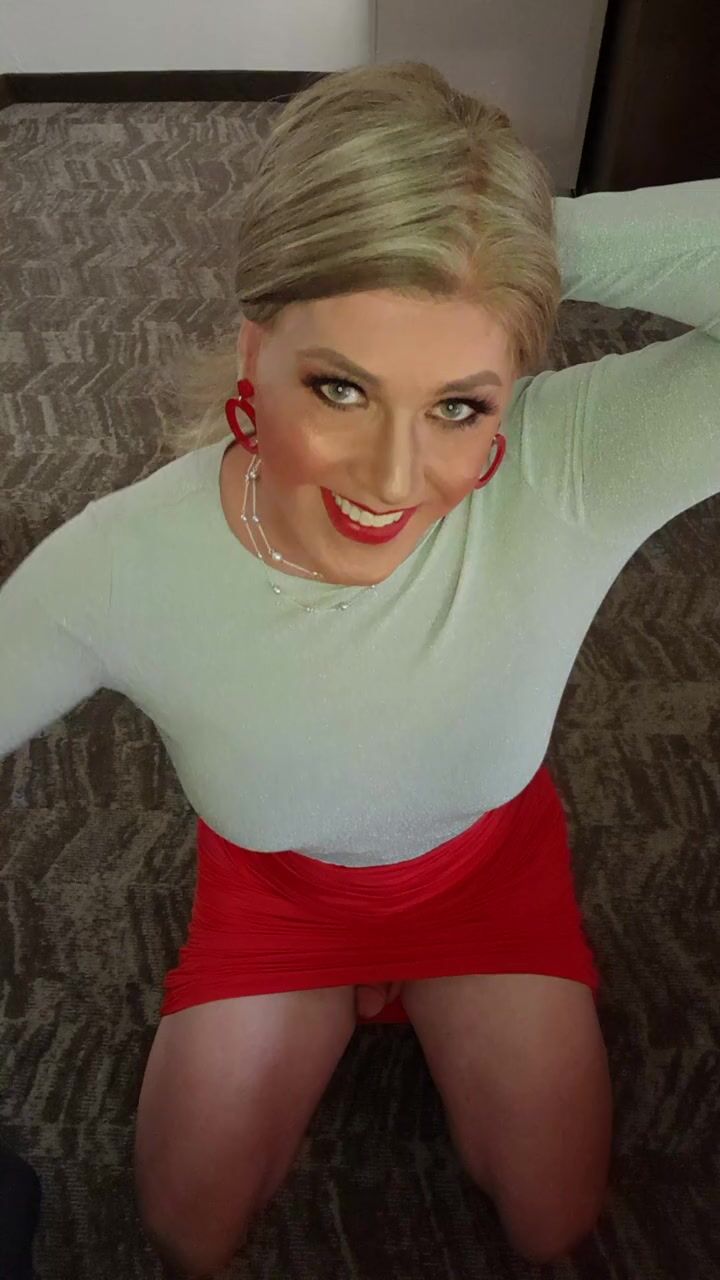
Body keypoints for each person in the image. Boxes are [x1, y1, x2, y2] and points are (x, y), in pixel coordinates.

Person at [1, 59, 718, 1280]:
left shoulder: (573, 469)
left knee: (556, 1218)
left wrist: (508, 242)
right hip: (277, 903)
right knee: (186, 1226)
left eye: (460, 405)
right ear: (255, 349)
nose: (393, 479)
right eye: (340, 387)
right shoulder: (121, 562)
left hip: (488, 885)